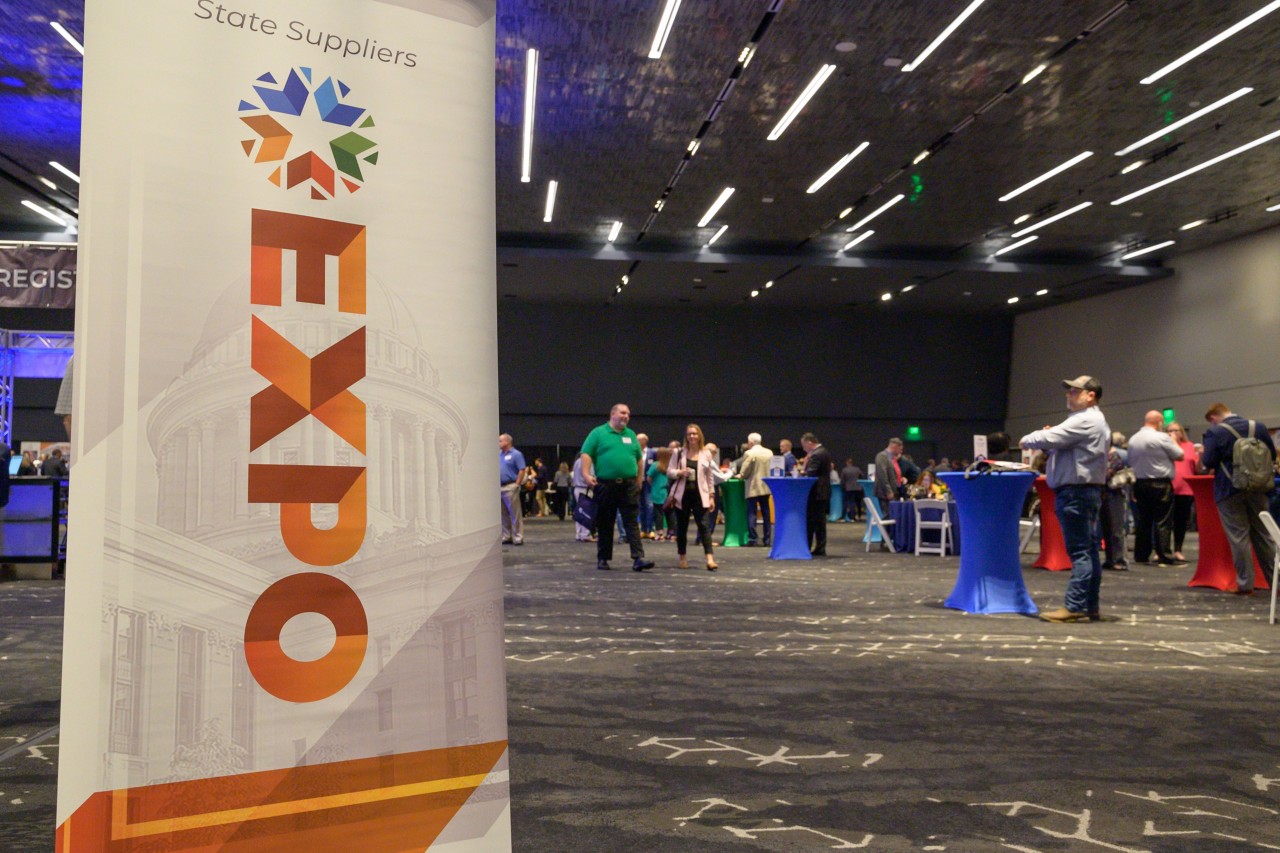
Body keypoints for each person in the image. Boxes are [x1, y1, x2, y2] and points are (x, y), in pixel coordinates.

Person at [1019, 375, 1111, 623]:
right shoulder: (1095, 420)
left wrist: (1029, 438)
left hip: (1075, 492)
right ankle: (1089, 605)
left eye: (1074, 391)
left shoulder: (1084, 420)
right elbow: (1061, 445)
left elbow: (1046, 439)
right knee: (1089, 551)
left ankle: (1074, 606)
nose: (1069, 395)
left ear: (1090, 396)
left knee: (1080, 552)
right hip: (1086, 490)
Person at [1201, 402, 1277, 595]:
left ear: (1213, 418)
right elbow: (1271, 453)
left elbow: (1208, 461)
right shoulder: (1258, 427)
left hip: (1229, 489)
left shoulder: (1216, 432)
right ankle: (1276, 582)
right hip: (1258, 488)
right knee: (1264, 536)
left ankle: (1245, 584)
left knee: (1239, 537)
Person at [580, 404, 654, 572]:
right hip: (606, 485)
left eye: (628, 414)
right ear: (612, 414)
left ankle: (638, 558)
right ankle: (603, 558)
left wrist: (639, 481)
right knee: (605, 522)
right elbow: (586, 453)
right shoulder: (598, 433)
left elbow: (639, 459)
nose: (626, 416)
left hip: (628, 485)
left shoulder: (631, 434)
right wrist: (585, 474)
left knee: (632, 522)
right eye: (622, 413)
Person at [1127, 411, 1185, 567]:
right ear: (1159, 422)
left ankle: (1141, 555)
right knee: (1162, 521)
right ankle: (1164, 555)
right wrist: (1174, 440)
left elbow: (1130, 461)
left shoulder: (1133, 439)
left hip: (1140, 483)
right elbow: (1180, 455)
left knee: (1143, 521)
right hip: (1160, 484)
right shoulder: (1162, 437)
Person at [666, 424, 719, 570]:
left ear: (699, 436)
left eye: (695, 434)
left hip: (700, 495)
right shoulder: (678, 452)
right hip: (682, 496)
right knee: (682, 527)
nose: (692, 436)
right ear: (686, 436)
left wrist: (711, 496)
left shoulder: (706, 454)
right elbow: (669, 471)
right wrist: (679, 472)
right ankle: (682, 557)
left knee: (704, 526)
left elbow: (709, 477)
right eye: (689, 434)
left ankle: (710, 559)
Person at [1166, 422, 1200, 561]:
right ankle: (1163, 549)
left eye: (1176, 430)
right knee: (1166, 521)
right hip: (1169, 487)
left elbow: (1196, 467)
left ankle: (1178, 549)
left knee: (1181, 521)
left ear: (1182, 432)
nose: (1173, 433)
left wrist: (1201, 456)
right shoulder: (1164, 446)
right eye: (1170, 431)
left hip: (1186, 488)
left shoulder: (1190, 446)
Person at [1099, 431, 1131, 572]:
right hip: (1104, 494)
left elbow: (1106, 475)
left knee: (1117, 529)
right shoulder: (1101, 456)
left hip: (1115, 494)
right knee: (1106, 528)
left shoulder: (1115, 456)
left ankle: (1120, 560)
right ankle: (1110, 559)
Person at [800, 433, 834, 556]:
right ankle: (820, 547)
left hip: (816, 492)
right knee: (820, 522)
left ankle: (811, 546)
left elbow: (811, 473)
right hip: (823, 492)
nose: (803, 448)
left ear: (809, 443)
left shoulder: (815, 454)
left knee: (812, 521)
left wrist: (803, 469)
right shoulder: (824, 451)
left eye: (804, 445)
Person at [737, 433, 773, 547]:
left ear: (751, 442)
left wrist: (741, 475)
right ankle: (767, 539)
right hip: (766, 486)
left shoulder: (749, 453)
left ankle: (753, 539)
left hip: (753, 486)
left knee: (751, 513)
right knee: (766, 513)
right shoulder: (769, 452)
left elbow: (745, 470)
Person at [498, 434, 527, 546]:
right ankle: (506, 536)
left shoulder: (516, 454)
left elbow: (521, 469)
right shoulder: (499, 454)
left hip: (510, 486)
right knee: (503, 514)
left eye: (500, 441)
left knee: (515, 513)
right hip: (499, 486)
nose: (499, 443)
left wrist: (517, 484)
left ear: (507, 442)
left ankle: (518, 536)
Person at [647, 447, 675, 541]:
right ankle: (671, 533)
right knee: (670, 513)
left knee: (658, 513)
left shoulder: (655, 465)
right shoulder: (671, 466)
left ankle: (659, 533)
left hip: (657, 492)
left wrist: (653, 484)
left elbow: (649, 478)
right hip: (669, 492)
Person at [873, 437, 906, 515]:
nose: (901, 452)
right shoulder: (882, 456)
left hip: (894, 492)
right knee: (888, 516)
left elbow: (892, 474)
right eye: (900, 449)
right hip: (885, 494)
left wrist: (900, 479)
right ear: (895, 446)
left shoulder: (892, 458)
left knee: (894, 516)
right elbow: (882, 475)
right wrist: (888, 491)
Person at [571, 456, 595, 543]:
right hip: (585, 489)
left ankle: (579, 534)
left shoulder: (577, 461)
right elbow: (590, 477)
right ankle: (585, 534)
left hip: (577, 488)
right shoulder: (589, 462)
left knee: (580, 511)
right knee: (587, 512)